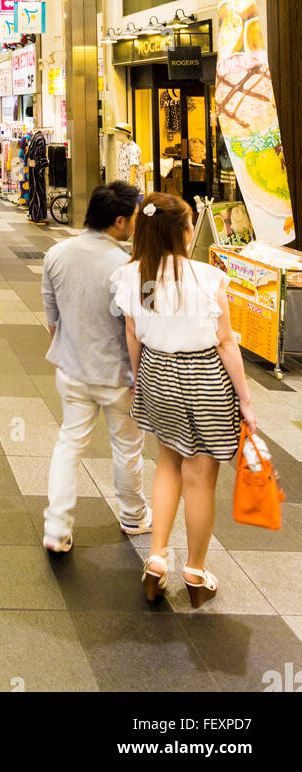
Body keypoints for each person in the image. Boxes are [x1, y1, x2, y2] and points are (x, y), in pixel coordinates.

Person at [112, 193, 256, 607]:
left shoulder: (133, 276)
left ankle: (156, 558)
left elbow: (133, 336)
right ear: (184, 233)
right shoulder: (207, 278)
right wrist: (245, 400)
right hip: (205, 376)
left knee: (167, 463)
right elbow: (226, 343)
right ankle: (195, 569)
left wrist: (140, 380)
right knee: (201, 476)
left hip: (157, 372)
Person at [41, 181, 148, 553]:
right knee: (127, 447)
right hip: (120, 376)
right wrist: (140, 376)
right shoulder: (128, 267)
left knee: (69, 443)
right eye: (134, 217)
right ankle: (133, 515)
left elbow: (52, 321)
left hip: (71, 369)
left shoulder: (56, 254)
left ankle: (56, 528)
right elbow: (136, 330)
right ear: (119, 221)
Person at [115, 122, 145, 197]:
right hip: (124, 190)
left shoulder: (133, 148)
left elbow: (133, 170)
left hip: (134, 192)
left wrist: (130, 191)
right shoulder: (121, 147)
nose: (115, 134)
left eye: (117, 132)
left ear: (123, 134)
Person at [26, 127, 49, 224]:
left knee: (37, 190)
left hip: (36, 168)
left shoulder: (39, 138)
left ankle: (38, 214)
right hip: (34, 168)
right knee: (35, 190)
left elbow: (40, 154)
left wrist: (39, 168)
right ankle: (36, 213)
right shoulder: (36, 137)